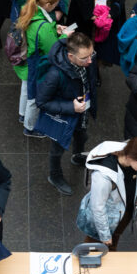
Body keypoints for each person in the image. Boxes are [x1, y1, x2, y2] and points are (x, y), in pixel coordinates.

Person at [36, 32, 98, 196]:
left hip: (81, 113)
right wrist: (71, 107)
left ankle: (77, 156)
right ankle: (55, 175)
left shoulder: (86, 60)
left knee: (81, 136)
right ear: (71, 56)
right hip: (65, 117)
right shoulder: (55, 75)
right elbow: (41, 102)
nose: (90, 61)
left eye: (91, 55)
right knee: (57, 149)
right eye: (85, 58)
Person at [78, 137, 137, 249]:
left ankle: (112, 252)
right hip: (104, 220)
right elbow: (98, 208)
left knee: (115, 239)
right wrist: (104, 235)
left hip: (124, 213)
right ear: (130, 157)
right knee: (92, 246)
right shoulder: (103, 176)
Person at [13, 0, 69, 136]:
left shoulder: (29, 8)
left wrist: (54, 28)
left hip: (29, 61)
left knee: (27, 90)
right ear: (49, 4)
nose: (58, 5)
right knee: (36, 97)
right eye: (57, 3)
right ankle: (30, 128)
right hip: (39, 65)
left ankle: (22, 115)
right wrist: (64, 35)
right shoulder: (42, 27)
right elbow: (53, 48)